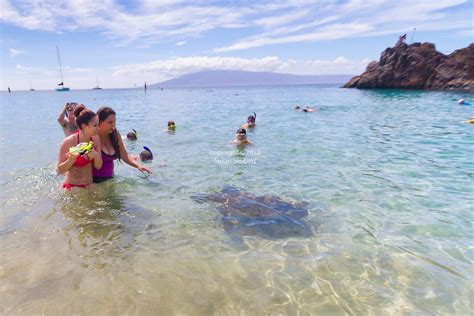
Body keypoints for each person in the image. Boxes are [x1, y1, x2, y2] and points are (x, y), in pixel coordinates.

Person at [93, 106, 152, 183]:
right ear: (99, 122)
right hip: (94, 182)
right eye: (110, 122)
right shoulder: (93, 137)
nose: (113, 125)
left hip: (110, 179)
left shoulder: (115, 134)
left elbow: (124, 155)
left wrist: (138, 165)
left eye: (114, 122)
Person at [57, 105, 102, 190]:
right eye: (95, 125)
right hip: (72, 188)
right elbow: (59, 170)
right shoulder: (69, 142)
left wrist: (96, 156)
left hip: (88, 187)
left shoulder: (96, 139)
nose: (98, 128)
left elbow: (98, 166)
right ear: (85, 126)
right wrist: (70, 160)